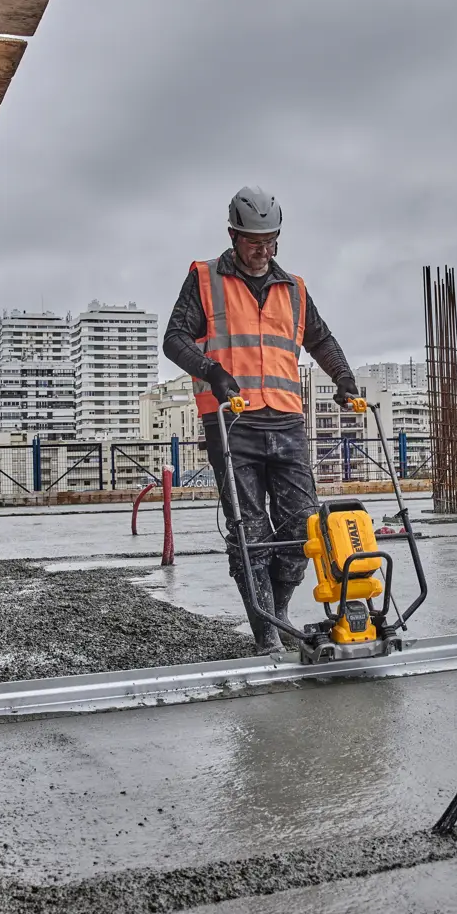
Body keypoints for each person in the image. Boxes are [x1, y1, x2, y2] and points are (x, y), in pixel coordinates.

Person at [163, 186, 362, 652]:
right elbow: (175, 339)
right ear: (233, 235)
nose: (264, 251)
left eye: (272, 241)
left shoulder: (293, 288)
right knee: (250, 533)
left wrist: (345, 377)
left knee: (300, 527)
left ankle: (278, 608)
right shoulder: (205, 279)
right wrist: (213, 372)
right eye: (255, 242)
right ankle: (265, 631)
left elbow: (322, 340)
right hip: (232, 425)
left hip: (287, 423)